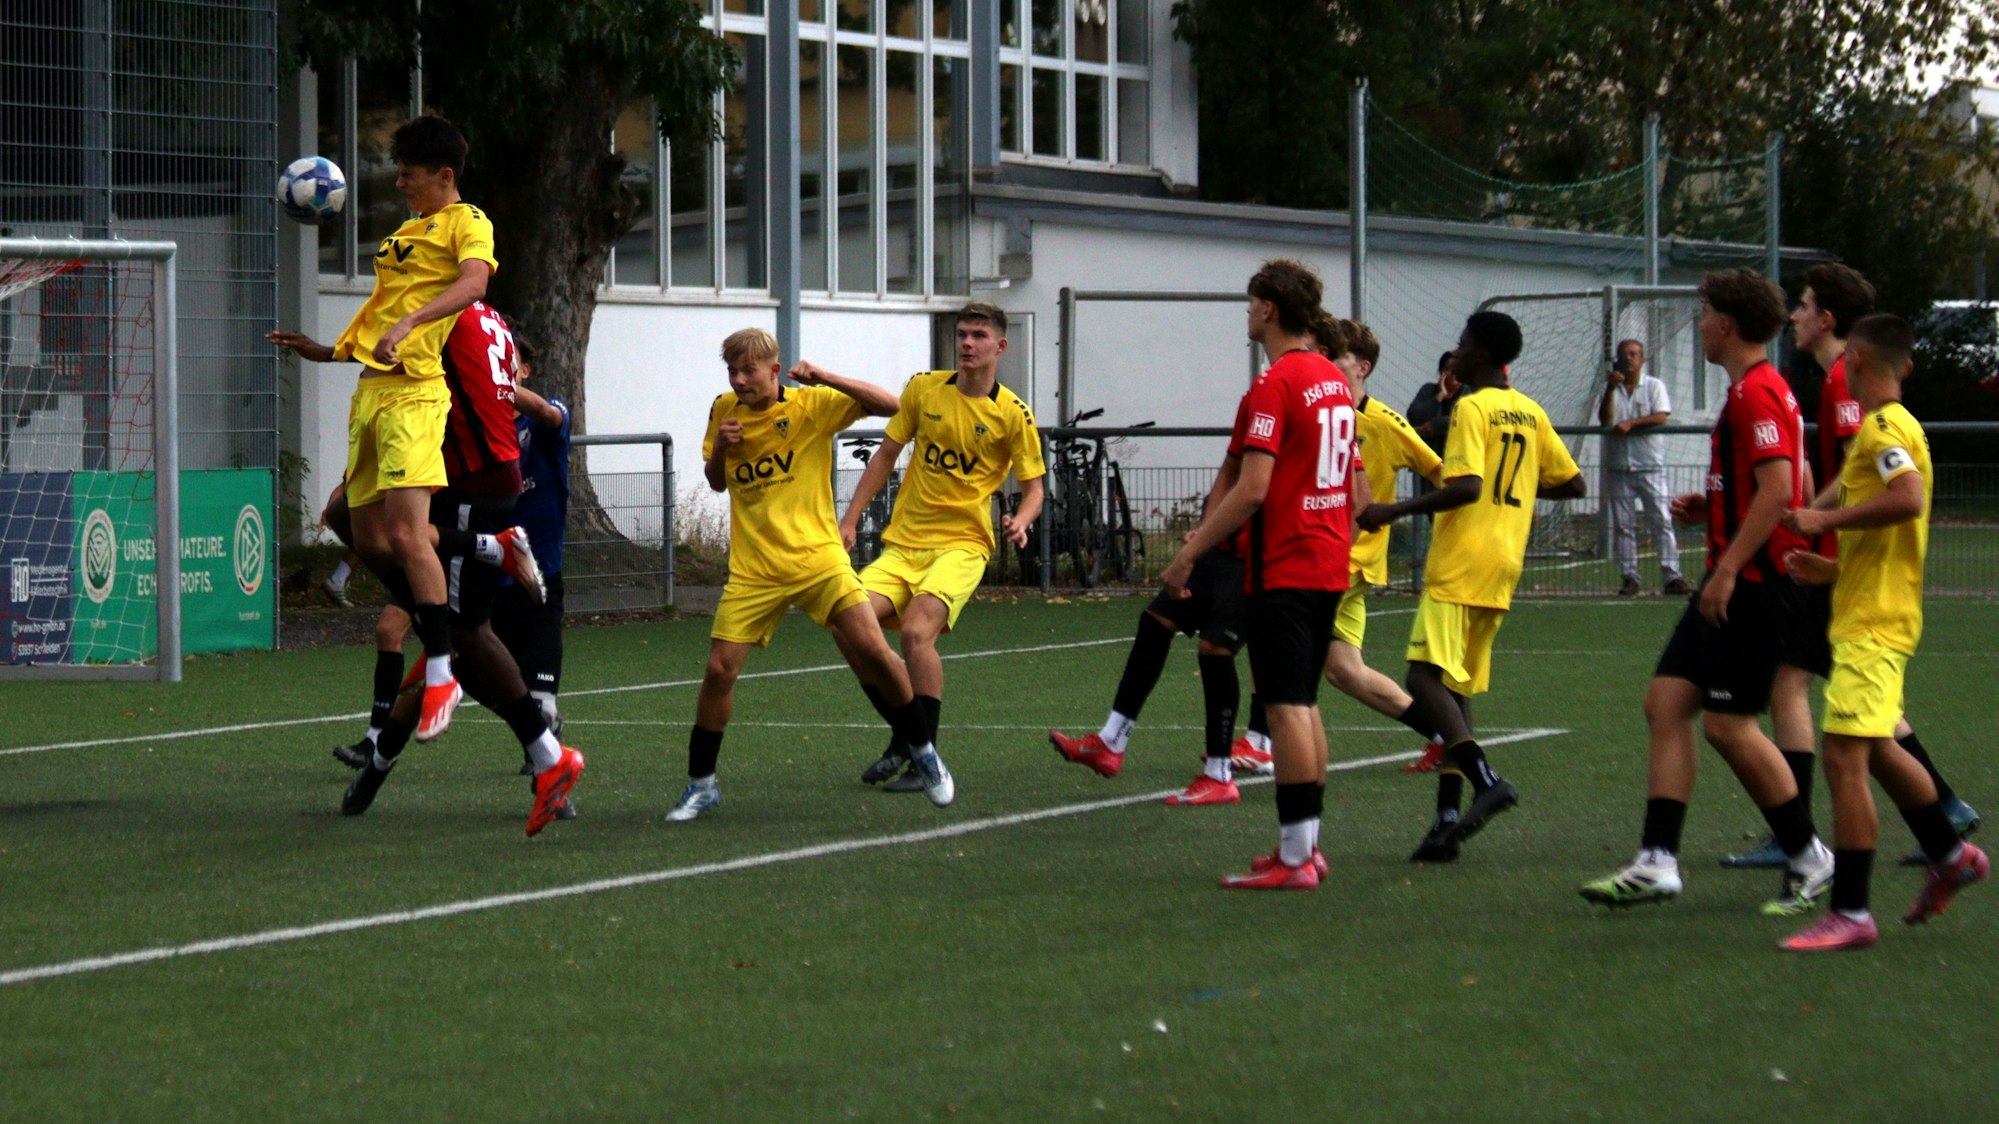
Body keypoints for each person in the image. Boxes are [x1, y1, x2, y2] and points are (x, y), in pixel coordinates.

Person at [267, 114, 539, 743]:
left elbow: (474, 283)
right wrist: (329, 350)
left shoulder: (468, 221)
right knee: (359, 531)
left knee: (405, 534)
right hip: (372, 394)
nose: (399, 184)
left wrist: (413, 322)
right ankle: (487, 558)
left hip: (416, 394)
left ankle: (442, 667)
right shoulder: (407, 233)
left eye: (409, 174)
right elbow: (383, 309)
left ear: (444, 175)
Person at [1579, 269, 1833, 915]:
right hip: (1736, 576)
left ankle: (1809, 856)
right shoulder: (1754, 389)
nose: (1698, 326)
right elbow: (1778, 484)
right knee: (1666, 703)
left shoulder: (1756, 392)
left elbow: (1782, 489)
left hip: (1752, 587)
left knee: (1728, 725)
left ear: (1724, 323)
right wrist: (1714, 508)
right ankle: (1657, 861)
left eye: (1703, 315)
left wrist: (1725, 570)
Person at [1723, 263, 1978, 870]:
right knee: (1867, 716)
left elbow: (1876, 478)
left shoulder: (1849, 385)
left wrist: (1819, 523)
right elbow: (1856, 470)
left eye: (1804, 304)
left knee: (1800, 689)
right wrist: (1812, 515)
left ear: (1828, 320)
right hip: (1851, 574)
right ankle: (1942, 821)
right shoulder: (1848, 384)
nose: (1795, 315)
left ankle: (1806, 841)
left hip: (1857, 580)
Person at [669, 328, 950, 822]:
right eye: (732, 371)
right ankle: (701, 784)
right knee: (719, 671)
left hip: (819, 559)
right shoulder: (724, 409)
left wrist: (824, 376)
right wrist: (723, 451)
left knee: (873, 649)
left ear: (775, 371)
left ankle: (924, 752)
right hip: (756, 570)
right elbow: (715, 482)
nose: (739, 380)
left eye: (749, 371)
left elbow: (892, 405)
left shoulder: (811, 405)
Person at [1774, 313, 1988, 951]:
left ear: (1856, 362)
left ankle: (1852, 912)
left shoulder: (1885, 426)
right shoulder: (1897, 425)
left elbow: (1908, 499)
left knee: (1844, 756)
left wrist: (1821, 521)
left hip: (1874, 625)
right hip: (1872, 612)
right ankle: (1950, 855)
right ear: (1908, 366)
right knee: (1880, 750)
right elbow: (1892, 537)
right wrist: (1834, 568)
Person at [1158, 259, 1367, 889]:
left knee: (1285, 709)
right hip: (1327, 562)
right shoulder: (1334, 379)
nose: (1247, 314)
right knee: (1303, 704)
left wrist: (1190, 553)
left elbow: (1252, 489)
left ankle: (1296, 859)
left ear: (1270, 309)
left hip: (1286, 564)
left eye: (1251, 303)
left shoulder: (1279, 381)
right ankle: (1307, 847)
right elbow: (1355, 494)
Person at [336, 302, 582, 836]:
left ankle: (549, 764)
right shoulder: (464, 341)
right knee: (352, 521)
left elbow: (548, 413)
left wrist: (498, 386)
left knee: (483, 657)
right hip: (467, 519)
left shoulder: (456, 328)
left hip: (526, 564)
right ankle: (376, 768)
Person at [1357, 311, 1587, 862]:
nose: (1454, 353)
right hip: (1503, 562)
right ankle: (1445, 821)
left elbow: (1465, 487)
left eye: (1461, 345)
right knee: (1455, 689)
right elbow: (1574, 483)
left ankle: (1486, 780)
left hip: (1462, 561)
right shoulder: (1530, 410)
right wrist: (1520, 491)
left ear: (1482, 354)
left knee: (1421, 677)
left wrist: (1392, 511)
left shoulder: (1471, 408)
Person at [1048, 316, 1290, 805]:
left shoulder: (1307, 393)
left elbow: (1276, 488)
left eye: (1253, 304)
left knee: (1220, 651)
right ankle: (1112, 740)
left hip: (1265, 556)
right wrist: (1205, 530)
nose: (1246, 313)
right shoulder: (1263, 390)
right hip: (1224, 547)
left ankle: (1222, 772)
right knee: (1156, 620)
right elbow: (1233, 468)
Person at [828, 302, 1046, 794]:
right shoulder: (924, 388)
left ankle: (922, 757)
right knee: (845, 623)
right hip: (904, 546)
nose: (967, 342)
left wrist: (1021, 520)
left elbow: (1034, 489)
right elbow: (886, 455)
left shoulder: (1013, 414)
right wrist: (850, 519)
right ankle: (908, 736)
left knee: (915, 632)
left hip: (962, 547)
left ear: (1000, 346)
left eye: (979, 336)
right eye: (962, 333)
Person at [1318, 318, 1447, 772]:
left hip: (1348, 559)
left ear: (1363, 368)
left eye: (1336, 356)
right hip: (1331, 555)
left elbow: (1444, 474)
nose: (1325, 362)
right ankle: (1445, 736)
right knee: (1344, 671)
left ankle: (1259, 741)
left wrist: (1411, 514)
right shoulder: (1320, 411)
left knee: (1275, 630)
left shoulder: (1386, 423)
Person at [496, 338, 572, 740]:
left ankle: (545, 752)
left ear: (525, 371)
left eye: (508, 362)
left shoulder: (545, 418)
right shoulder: (477, 429)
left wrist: (494, 383)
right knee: (489, 683)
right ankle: (378, 745)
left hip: (542, 575)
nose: (498, 366)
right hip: (490, 575)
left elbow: (546, 412)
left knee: (540, 703)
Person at [1598, 338, 1687, 596]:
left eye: (1633, 354)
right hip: (1619, 466)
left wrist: (1632, 423)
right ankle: (1630, 577)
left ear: (1642, 359)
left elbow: (1661, 416)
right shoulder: (1612, 389)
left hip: (1649, 465)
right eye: (1624, 354)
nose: (1628, 359)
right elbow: (1605, 419)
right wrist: (1609, 388)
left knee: (1661, 520)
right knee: (1623, 525)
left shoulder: (1653, 386)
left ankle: (1672, 575)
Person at [1403, 352, 1458, 585]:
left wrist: (1435, 425)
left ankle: (1451, 573)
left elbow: (1461, 420)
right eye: (1450, 369)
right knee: (1435, 520)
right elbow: (1414, 414)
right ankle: (1440, 574)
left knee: (1454, 524)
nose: (1455, 375)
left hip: (1457, 470)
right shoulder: (1429, 391)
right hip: (1431, 470)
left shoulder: (1468, 395)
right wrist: (1439, 396)